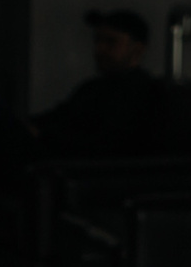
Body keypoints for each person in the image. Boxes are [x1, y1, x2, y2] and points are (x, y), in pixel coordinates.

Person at [29, 10, 168, 157]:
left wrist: (44, 136)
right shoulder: (92, 88)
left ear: (137, 49)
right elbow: (57, 117)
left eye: (111, 42)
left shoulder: (142, 93)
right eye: (97, 41)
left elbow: (107, 146)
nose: (99, 49)